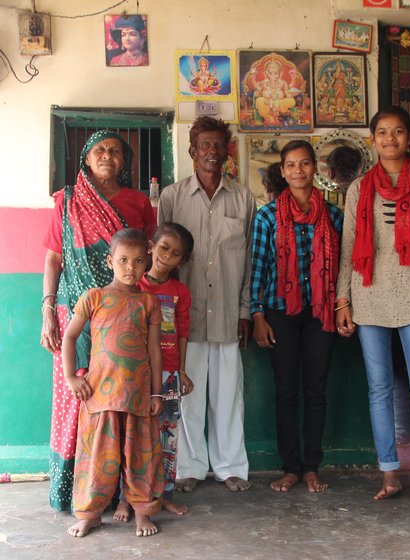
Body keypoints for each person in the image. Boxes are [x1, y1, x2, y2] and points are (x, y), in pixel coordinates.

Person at [335, 106, 410, 508]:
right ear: (373, 139)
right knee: (379, 390)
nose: (390, 139)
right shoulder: (359, 188)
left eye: (398, 132)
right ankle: (389, 472)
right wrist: (342, 300)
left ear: (409, 137)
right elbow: (349, 247)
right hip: (369, 296)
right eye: (382, 132)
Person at [41, 130, 156, 511]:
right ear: (86, 159)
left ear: (125, 162)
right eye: (100, 150)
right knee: (79, 397)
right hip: (76, 309)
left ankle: (120, 495)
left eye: (116, 151)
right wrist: (47, 312)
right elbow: (55, 259)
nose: (108, 156)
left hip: (124, 318)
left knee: (121, 403)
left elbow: (146, 258)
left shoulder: (138, 202)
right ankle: (76, 493)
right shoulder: (68, 200)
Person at [158, 117, 255, 493]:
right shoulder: (172, 197)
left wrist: (246, 311)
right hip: (184, 317)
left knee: (229, 396)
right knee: (187, 393)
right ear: (192, 151)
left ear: (227, 151)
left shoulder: (244, 198)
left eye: (219, 146)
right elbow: (161, 260)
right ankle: (189, 468)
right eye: (205, 146)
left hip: (229, 312)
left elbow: (248, 262)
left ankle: (231, 466)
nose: (212, 153)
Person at [250, 140, 343, 493]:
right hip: (279, 311)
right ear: (283, 171)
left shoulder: (333, 215)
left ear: (315, 168)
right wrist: (258, 315)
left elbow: (342, 268)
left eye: (305, 164)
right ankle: (290, 467)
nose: (298, 171)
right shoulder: (267, 216)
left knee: (315, 391)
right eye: (291, 165)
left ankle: (311, 467)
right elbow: (257, 269)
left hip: (321, 313)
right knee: (286, 391)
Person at [62, 228, 163, 538]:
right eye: (123, 260)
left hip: (137, 395)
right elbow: (69, 336)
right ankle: (91, 514)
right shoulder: (94, 297)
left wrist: (157, 392)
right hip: (99, 394)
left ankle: (142, 512)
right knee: (97, 457)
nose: (130, 268)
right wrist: (70, 377)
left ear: (147, 263)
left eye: (137, 261)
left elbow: (154, 349)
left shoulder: (149, 302)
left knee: (140, 456)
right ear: (110, 261)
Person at [114, 222, 195, 522]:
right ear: (151, 246)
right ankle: (127, 498)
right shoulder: (134, 287)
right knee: (131, 436)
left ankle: (164, 496)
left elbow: (183, 332)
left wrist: (182, 371)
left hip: (169, 374)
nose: (167, 256)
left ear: (181, 261)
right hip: (137, 374)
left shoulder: (180, 292)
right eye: (163, 248)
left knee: (167, 437)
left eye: (175, 254)